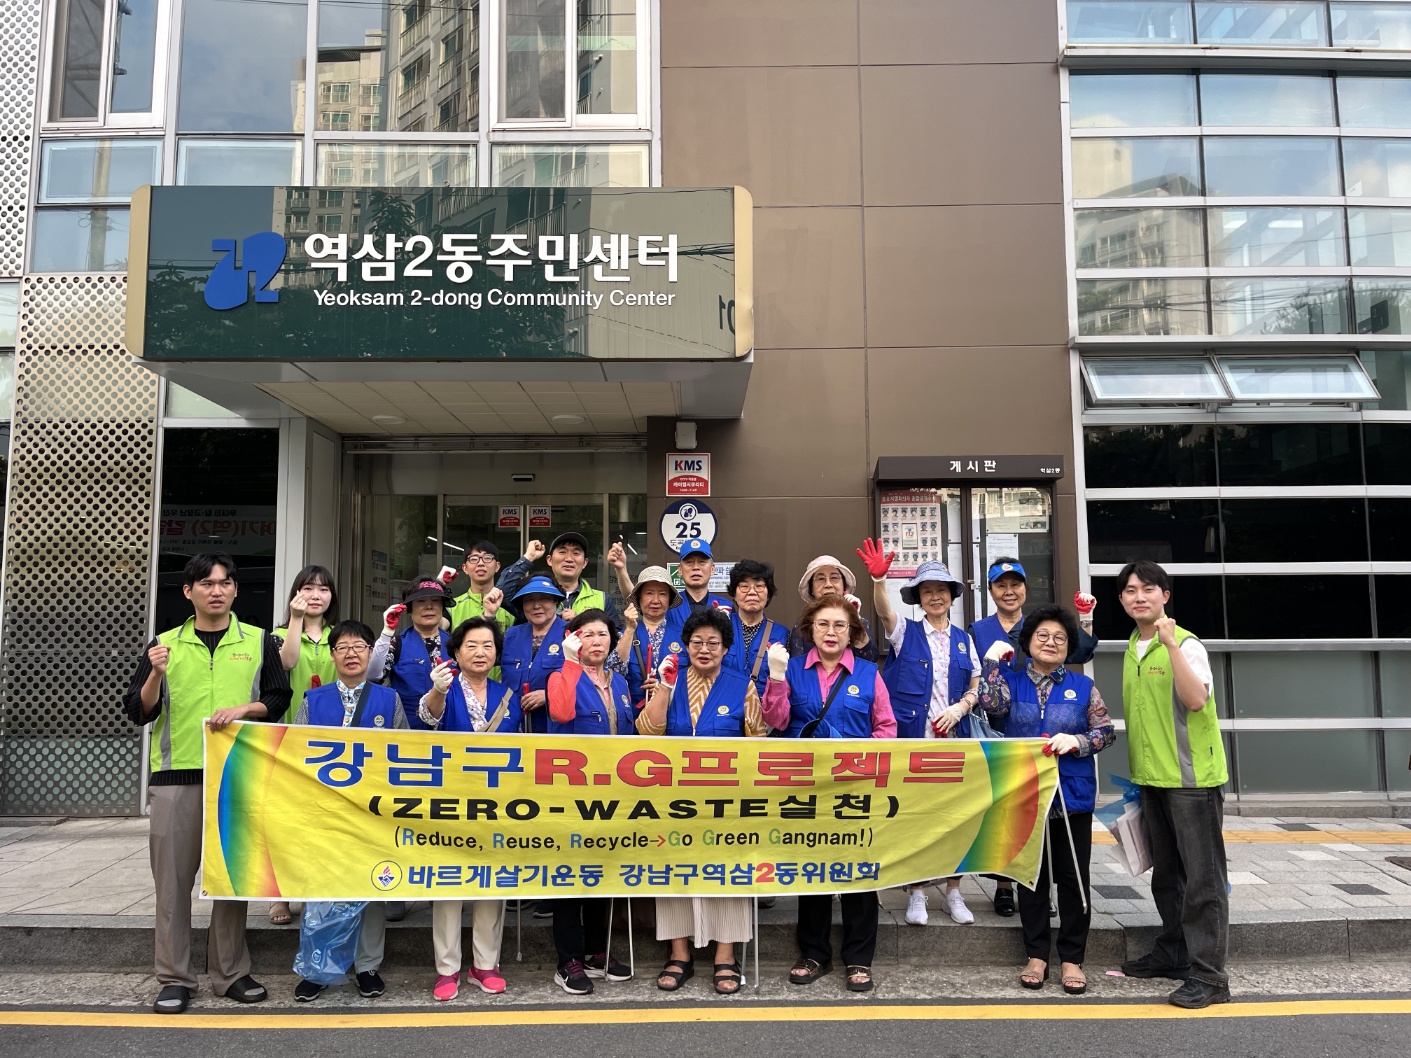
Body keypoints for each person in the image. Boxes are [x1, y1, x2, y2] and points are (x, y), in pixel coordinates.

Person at [123, 553, 291, 1015]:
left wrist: (244, 710)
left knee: (231, 880)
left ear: (235, 589)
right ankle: (174, 978)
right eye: (206, 583)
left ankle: (231, 973)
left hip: (236, 775)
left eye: (225, 583)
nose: (217, 591)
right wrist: (155, 674)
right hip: (175, 780)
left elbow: (278, 697)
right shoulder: (163, 645)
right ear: (188, 591)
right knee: (172, 885)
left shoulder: (258, 641)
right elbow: (139, 711)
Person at [976, 604, 1114, 996]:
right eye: (1042, 636)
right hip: (1026, 795)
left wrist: (1078, 741)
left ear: (1069, 646)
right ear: (1028, 642)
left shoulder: (1083, 687)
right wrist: (991, 666)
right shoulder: (1012, 682)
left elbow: (1106, 732)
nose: (1050, 642)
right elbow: (991, 706)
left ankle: (1072, 958)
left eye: (1059, 638)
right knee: (1031, 877)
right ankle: (1036, 955)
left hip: (1072, 797)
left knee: (1073, 878)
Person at [761, 596, 895, 993]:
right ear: (810, 630)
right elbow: (776, 720)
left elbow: (886, 729)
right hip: (806, 789)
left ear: (852, 633)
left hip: (855, 789)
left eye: (840, 625)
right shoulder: (791, 670)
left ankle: (859, 958)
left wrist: (858, 758)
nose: (831, 632)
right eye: (823, 625)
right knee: (812, 870)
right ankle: (814, 953)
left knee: (859, 872)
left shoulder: (869, 673)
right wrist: (776, 678)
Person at [1115, 560, 1230, 1010]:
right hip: (1152, 779)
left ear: (1165, 595)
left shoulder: (1186, 644)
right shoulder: (1132, 646)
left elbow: (1196, 699)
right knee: (1167, 876)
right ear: (1122, 600)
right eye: (1130, 590)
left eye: (1148, 589)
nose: (1138, 596)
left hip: (1191, 781)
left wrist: (1171, 646)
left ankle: (1211, 977)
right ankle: (1174, 953)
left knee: (1204, 881)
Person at [637, 608, 765, 995]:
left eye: (713, 643)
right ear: (685, 645)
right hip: (673, 802)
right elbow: (647, 732)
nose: (704, 649)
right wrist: (663, 688)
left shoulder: (742, 686)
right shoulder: (669, 679)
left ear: (726, 648)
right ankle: (679, 954)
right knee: (674, 872)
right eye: (697, 642)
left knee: (726, 874)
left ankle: (726, 956)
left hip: (726, 802)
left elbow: (758, 742)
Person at [967, 559, 1099, 917]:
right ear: (990, 591)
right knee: (1008, 814)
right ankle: (1005, 886)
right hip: (997, 727)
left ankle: (1042, 889)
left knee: (1045, 818)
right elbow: (973, 677)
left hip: (1043, 722)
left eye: (1016, 584)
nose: (1009, 592)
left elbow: (1079, 651)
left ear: (1025, 588)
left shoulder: (1038, 625)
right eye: (1001, 585)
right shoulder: (979, 630)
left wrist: (1085, 619)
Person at [858, 542, 980, 927]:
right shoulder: (904, 632)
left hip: (954, 745)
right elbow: (883, 611)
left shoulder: (964, 639)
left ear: (951, 595)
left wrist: (962, 707)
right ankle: (915, 891)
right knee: (914, 817)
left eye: (941, 589)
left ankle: (954, 890)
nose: (935, 596)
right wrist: (879, 580)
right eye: (927, 591)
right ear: (919, 598)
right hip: (913, 742)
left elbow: (975, 682)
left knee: (955, 818)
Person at [291, 619, 407, 1002]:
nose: (351, 653)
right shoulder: (313, 700)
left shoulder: (389, 700)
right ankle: (317, 968)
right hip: (325, 812)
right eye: (343, 647)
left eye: (359, 646)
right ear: (332, 655)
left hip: (372, 812)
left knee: (370, 887)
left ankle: (367, 967)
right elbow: (297, 755)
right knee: (322, 889)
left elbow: (404, 755)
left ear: (371, 653)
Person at [416, 616, 521, 1001]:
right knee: (448, 884)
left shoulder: (507, 694)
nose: (480, 652)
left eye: (488, 645)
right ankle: (447, 969)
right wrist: (438, 690)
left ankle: (485, 965)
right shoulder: (444, 688)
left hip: (498, 805)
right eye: (471, 645)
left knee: (492, 883)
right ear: (456, 653)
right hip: (451, 802)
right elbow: (428, 720)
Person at [545, 609, 636, 995]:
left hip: (613, 796)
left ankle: (597, 952)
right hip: (572, 796)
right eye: (588, 634)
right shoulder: (559, 675)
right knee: (570, 878)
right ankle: (568, 960)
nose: (596, 641)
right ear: (572, 639)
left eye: (602, 634)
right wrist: (569, 662)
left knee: (602, 874)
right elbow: (561, 712)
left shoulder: (620, 682)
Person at [269, 564, 340, 926]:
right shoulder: (277, 635)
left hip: (333, 742)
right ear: (296, 593)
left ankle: (318, 887)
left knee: (324, 820)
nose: (316, 595)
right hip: (289, 738)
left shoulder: (339, 635)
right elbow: (288, 662)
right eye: (308, 588)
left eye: (323, 589)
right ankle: (280, 894)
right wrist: (296, 620)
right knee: (286, 819)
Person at [367, 577, 454, 731]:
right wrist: (387, 632)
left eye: (435, 601)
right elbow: (373, 676)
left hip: (451, 728)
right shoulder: (397, 643)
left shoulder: (456, 644)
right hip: (408, 730)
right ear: (409, 609)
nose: (429, 606)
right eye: (421, 601)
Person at [499, 575, 567, 734]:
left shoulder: (571, 634)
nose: (536, 606)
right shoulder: (511, 635)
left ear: (556, 601)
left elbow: (587, 682)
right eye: (529, 600)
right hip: (513, 726)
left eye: (544, 598)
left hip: (553, 728)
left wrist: (549, 696)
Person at [612, 565, 681, 709]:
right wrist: (630, 629)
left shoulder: (683, 636)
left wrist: (665, 687)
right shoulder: (623, 635)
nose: (655, 600)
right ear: (639, 598)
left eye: (662, 594)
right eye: (649, 593)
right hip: (634, 714)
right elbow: (614, 672)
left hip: (673, 713)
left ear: (669, 598)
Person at [785, 555, 876, 661]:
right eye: (820, 579)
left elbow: (870, 659)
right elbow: (796, 665)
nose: (828, 584)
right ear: (811, 589)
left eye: (834, 578)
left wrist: (855, 619)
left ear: (844, 585)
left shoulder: (861, 621)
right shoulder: (801, 626)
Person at [723, 559, 789, 702]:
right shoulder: (721, 626)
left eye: (759, 586)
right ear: (734, 593)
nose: (752, 592)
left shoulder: (782, 634)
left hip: (763, 711)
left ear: (768, 594)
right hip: (723, 709)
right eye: (744, 586)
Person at [447, 538, 542, 633]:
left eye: (487, 558)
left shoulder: (510, 606)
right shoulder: (452, 607)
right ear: (465, 568)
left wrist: (529, 557)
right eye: (474, 559)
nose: (480, 563)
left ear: (497, 566)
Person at [544, 532, 620, 629]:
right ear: (549, 560)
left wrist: (579, 622)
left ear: (585, 563)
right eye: (562, 552)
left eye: (576, 553)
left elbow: (616, 635)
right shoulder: (537, 595)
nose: (569, 559)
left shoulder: (603, 599)